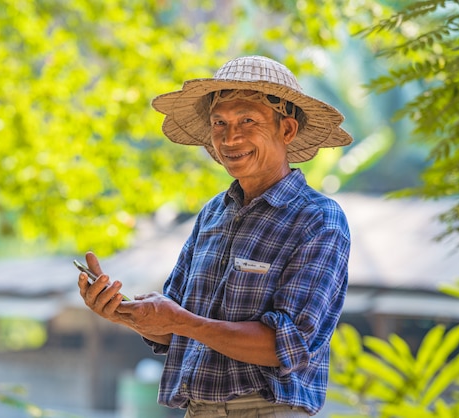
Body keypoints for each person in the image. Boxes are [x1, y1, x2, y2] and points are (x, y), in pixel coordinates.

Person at [77, 55, 353, 417]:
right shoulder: (213, 213)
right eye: (219, 123)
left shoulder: (318, 219)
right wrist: (122, 312)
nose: (230, 137)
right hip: (198, 409)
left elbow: (285, 345)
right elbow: (177, 326)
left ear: (286, 130)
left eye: (247, 121)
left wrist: (179, 320)